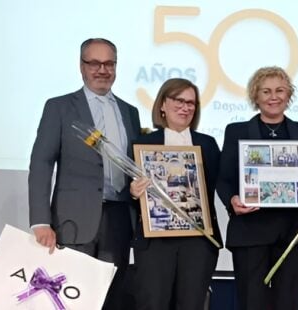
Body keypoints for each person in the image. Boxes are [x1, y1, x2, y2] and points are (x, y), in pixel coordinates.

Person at [28, 38, 141, 309]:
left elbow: (134, 165)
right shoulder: (59, 107)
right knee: (71, 299)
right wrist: (40, 221)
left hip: (119, 220)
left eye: (109, 63)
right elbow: (42, 163)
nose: (102, 70)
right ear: (81, 66)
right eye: (95, 63)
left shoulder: (130, 112)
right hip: (73, 221)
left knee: (111, 298)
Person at [216, 66, 298, 310]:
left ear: (289, 94)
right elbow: (224, 179)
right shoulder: (236, 131)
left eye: (280, 90)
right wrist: (232, 201)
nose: (273, 97)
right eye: (266, 91)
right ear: (255, 96)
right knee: (251, 304)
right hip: (250, 232)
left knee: (290, 304)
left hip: (294, 234)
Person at [128, 78, 222, 310]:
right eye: (179, 100)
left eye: (191, 103)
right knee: (153, 303)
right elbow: (126, 191)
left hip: (198, 242)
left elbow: (220, 185)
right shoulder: (142, 143)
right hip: (155, 243)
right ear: (162, 104)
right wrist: (133, 192)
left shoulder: (208, 144)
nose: (185, 107)